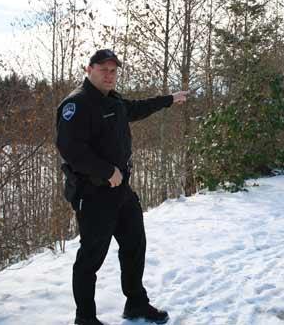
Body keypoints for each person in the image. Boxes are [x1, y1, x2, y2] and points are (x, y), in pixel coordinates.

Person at [55, 49, 188, 325]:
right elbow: (70, 149)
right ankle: (85, 318)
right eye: (103, 69)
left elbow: (136, 108)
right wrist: (106, 171)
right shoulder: (77, 104)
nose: (109, 75)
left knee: (134, 244)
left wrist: (168, 100)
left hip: (121, 192)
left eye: (113, 70)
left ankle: (136, 303)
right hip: (93, 193)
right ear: (88, 69)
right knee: (90, 258)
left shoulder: (112, 101)